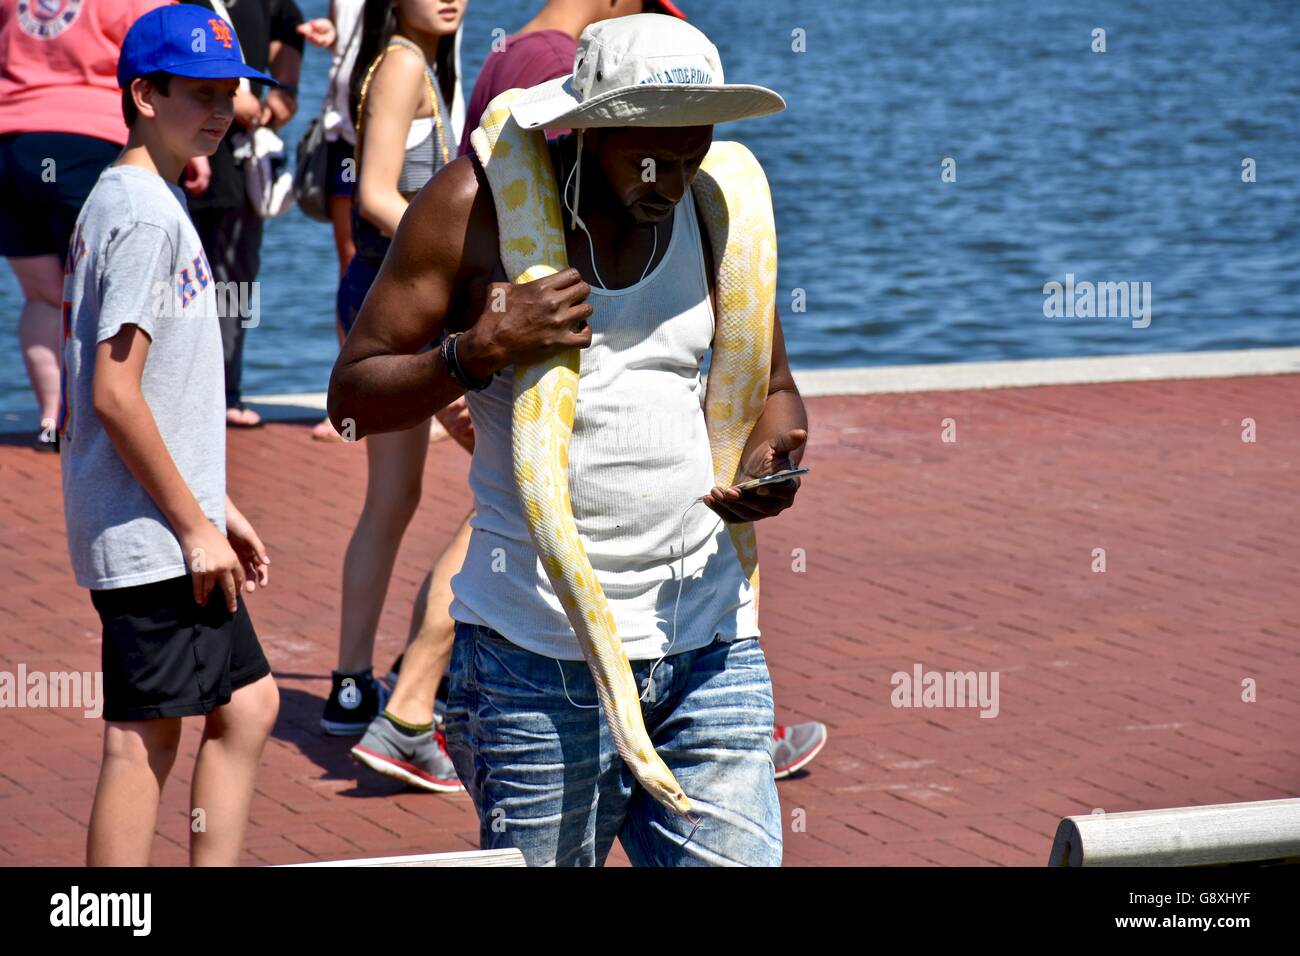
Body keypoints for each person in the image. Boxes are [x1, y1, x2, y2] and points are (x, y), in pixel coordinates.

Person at [330, 14, 804, 865]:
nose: (673, 178)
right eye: (650, 157)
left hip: (709, 644)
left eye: (693, 151)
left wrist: (774, 456)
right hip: (533, 663)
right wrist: (477, 351)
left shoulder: (716, 205)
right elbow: (352, 396)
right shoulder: (471, 208)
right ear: (589, 126)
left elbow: (771, 390)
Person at [61, 4, 280, 865]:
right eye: (201, 94)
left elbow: (147, 388)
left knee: (251, 705)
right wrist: (194, 528)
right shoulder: (146, 214)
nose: (223, 110)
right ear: (144, 94)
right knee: (142, 740)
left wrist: (216, 503)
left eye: (231, 93)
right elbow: (115, 393)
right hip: (151, 536)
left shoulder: (128, 197)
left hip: (165, 521)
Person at [318, 0, 469, 790]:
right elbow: (375, 192)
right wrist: (457, 255)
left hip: (388, 297)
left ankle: (354, 685)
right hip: (397, 304)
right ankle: (413, 688)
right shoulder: (406, 63)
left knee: (395, 497)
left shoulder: (419, 59)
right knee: (506, 480)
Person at [0, 0, 170, 452]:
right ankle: (105, 421)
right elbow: (163, 59)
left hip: (11, 141)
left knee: (41, 295)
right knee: (104, 294)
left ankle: (50, 420)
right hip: (89, 137)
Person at [183, 0, 304, 428]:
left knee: (233, 279)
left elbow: (291, 26)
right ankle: (173, 391)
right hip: (177, 148)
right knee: (171, 279)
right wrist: (237, 97)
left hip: (237, 155)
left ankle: (224, 391)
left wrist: (285, 91)